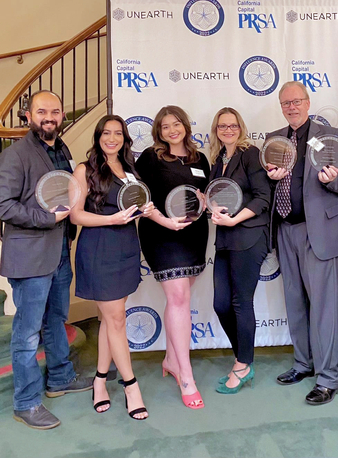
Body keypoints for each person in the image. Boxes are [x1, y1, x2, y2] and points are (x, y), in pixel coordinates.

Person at [0, 90, 92, 430]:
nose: (49, 117)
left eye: (54, 110)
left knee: (56, 319)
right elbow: (4, 205)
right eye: (42, 111)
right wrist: (47, 219)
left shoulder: (61, 150)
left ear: (62, 114)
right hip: (29, 257)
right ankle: (26, 402)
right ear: (28, 116)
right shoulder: (16, 155)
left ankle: (60, 379)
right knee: (26, 333)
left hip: (58, 254)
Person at [266, 81, 338, 405]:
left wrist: (332, 179)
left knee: (325, 308)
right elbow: (269, 185)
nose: (292, 107)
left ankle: (329, 378)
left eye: (297, 101)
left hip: (319, 233)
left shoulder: (331, 136)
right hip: (285, 231)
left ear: (308, 101)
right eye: (286, 103)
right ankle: (304, 364)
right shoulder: (275, 140)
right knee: (295, 303)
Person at [71, 115, 154, 420]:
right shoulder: (84, 170)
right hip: (99, 247)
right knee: (116, 320)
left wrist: (147, 211)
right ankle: (131, 386)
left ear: (124, 138)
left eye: (118, 133)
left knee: (109, 319)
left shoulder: (130, 169)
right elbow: (76, 216)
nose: (112, 138)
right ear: (98, 136)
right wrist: (111, 219)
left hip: (126, 247)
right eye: (106, 133)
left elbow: (137, 207)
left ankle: (99, 381)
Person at [135, 105, 210, 409]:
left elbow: (206, 193)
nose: (171, 130)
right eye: (165, 126)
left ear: (185, 126)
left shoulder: (199, 158)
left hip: (194, 234)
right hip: (162, 234)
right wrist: (163, 220)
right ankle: (186, 374)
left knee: (180, 298)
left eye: (176, 124)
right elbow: (138, 195)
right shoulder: (151, 157)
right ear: (158, 131)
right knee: (179, 298)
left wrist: (206, 200)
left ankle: (170, 359)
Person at [208, 107, 270, 394]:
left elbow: (262, 197)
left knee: (241, 302)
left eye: (233, 125)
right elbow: (217, 198)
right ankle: (241, 358)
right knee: (221, 304)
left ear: (240, 127)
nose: (228, 130)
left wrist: (235, 218)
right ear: (216, 129)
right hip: (224, 239)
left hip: (248, 235)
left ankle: (244, 364)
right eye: (222, 126)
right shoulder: (217, 161)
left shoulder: (250, 154)